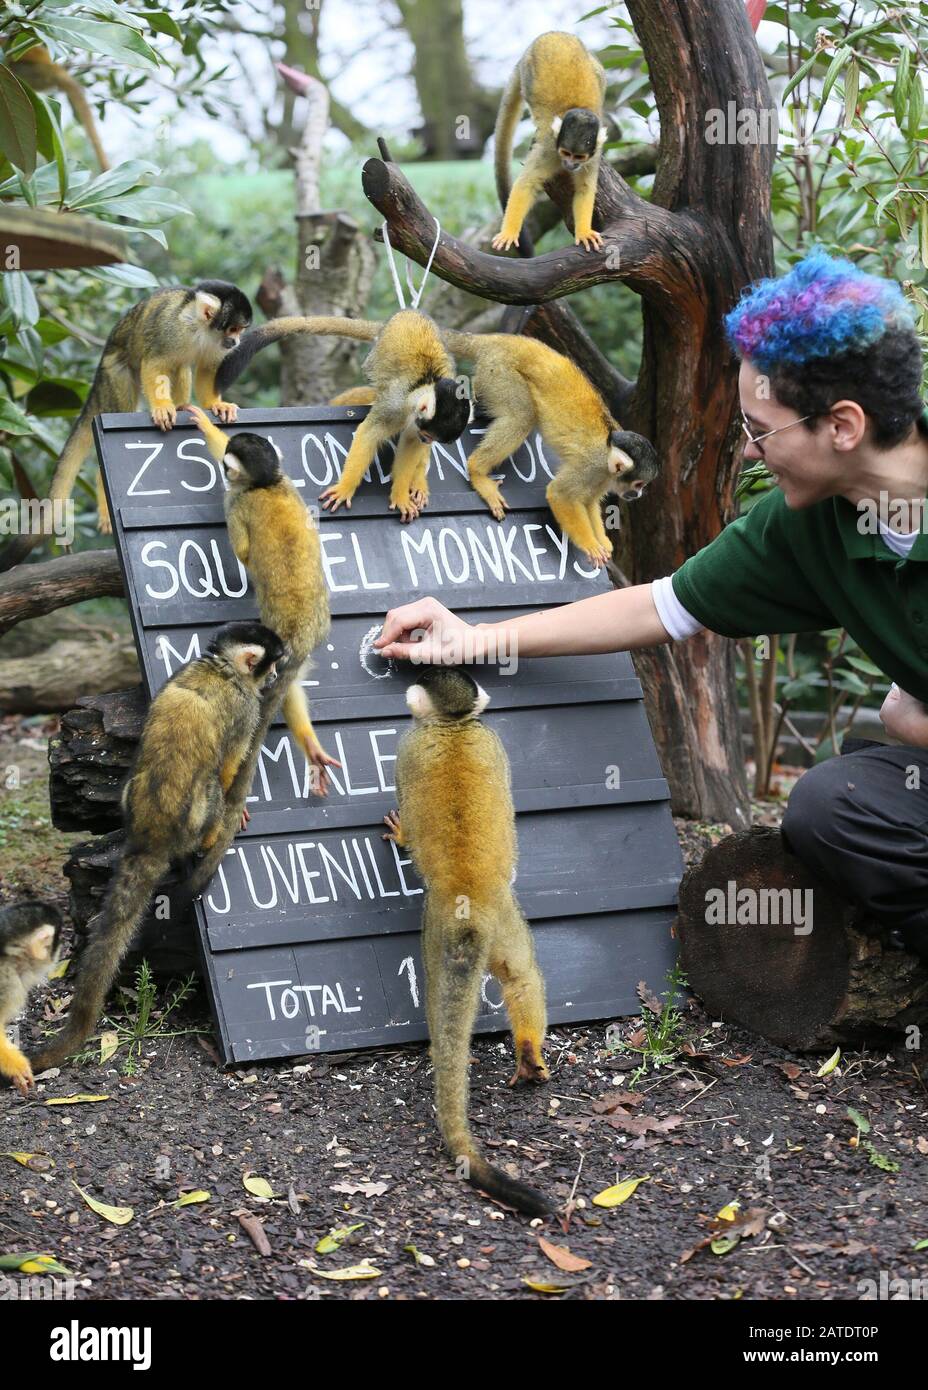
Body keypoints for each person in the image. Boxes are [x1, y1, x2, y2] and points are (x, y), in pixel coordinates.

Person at [374, 248, 928, 960]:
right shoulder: (814, 524)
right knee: (833, 806)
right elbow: (661, 608)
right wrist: (475, 638)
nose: (751, 453)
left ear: (843, 427)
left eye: (761, 431)